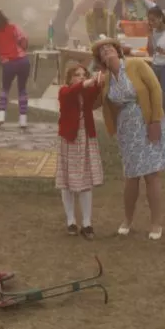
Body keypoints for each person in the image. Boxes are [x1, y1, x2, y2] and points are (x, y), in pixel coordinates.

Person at [93, 38, 165, 240]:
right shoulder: (106, 78)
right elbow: (96, 104)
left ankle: (156, 223)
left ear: (117, 50)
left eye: (109, 47)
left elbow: (156, 89)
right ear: (100, 59)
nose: (107, 51)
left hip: (147, 123)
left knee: (152, 174)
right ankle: (127, 220)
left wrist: (155, 121)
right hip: (126, 130)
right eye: (102, 51)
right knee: (131, 176)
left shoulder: (136, 64)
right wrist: (93, 85)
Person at [54, 61, 104, 237]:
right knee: (67, 180)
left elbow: (95, 94)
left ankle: (87, 222)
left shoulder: (85, 91)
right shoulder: (64, 91)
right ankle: (71, 220)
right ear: (69, 78)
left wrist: (99, 81)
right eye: (77, 75)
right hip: (69, 138)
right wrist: (86, 83)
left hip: (86, 137)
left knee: (86, 180)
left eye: (84, 75)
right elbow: (70, 93)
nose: (81, 78)